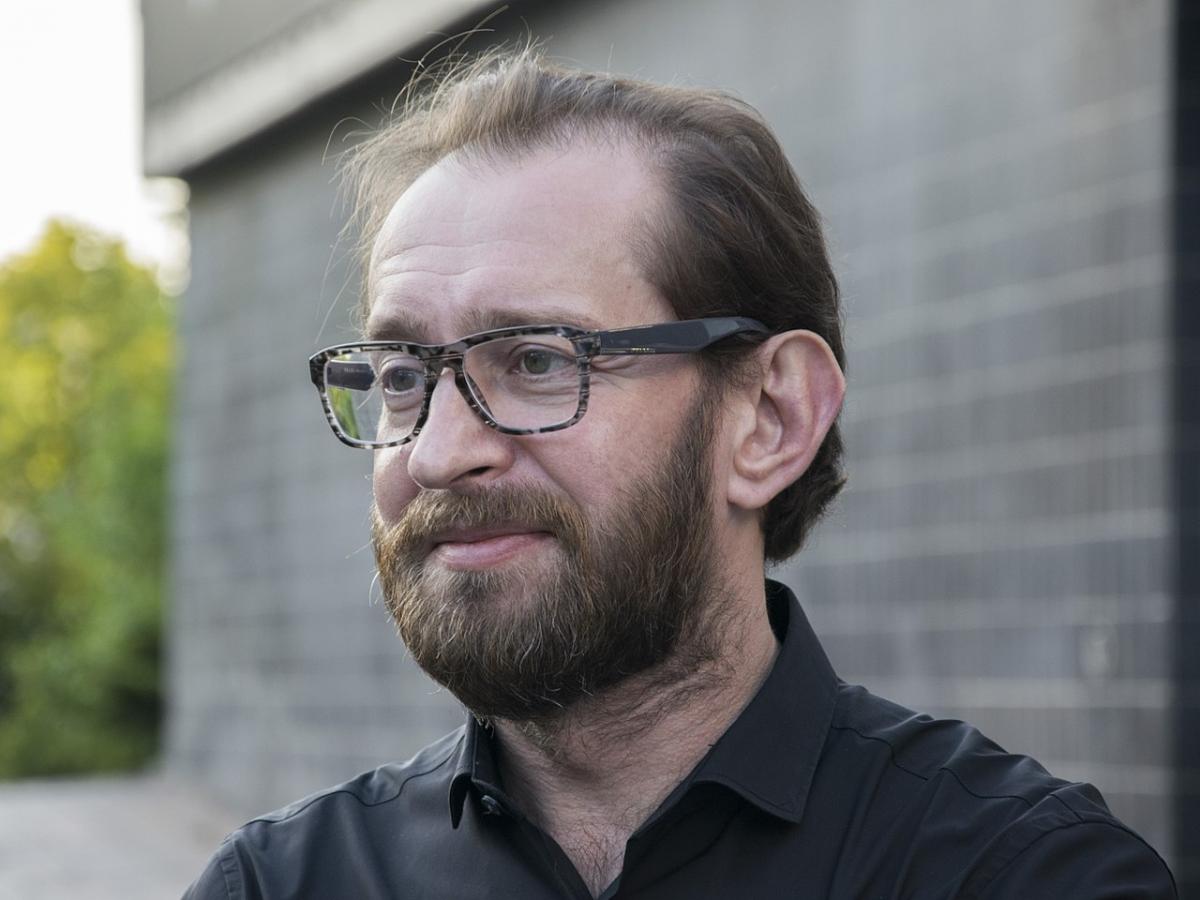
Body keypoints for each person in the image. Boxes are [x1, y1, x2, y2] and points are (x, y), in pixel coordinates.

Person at [184, 47, 1177, 899]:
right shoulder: (282, 884)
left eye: (538, 361)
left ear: (771, 419)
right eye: (404, 376)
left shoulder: (1020, 876)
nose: (440, 452)